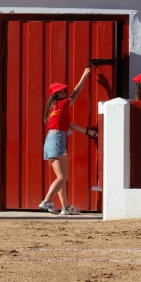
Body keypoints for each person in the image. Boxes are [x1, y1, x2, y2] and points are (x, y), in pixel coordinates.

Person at [39, 71, 97, 215]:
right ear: (57, 95)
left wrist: (87, 132)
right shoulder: (62, 104)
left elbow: (69, 125)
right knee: (62, 177)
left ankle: (65, 207)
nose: (65, 93)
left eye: (64, 91)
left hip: (55, 139)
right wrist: (83, 76)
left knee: (63, 176)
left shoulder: (54, 108)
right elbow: (76, 92)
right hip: (57, 139)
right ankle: (46, 202)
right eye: (62, 92)